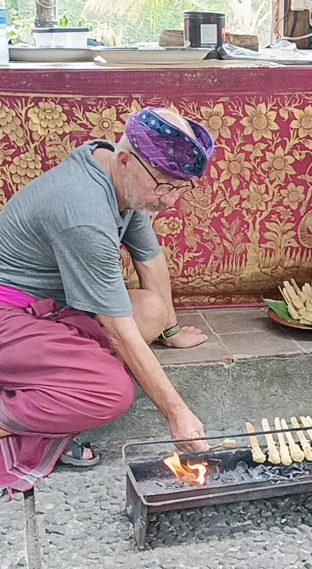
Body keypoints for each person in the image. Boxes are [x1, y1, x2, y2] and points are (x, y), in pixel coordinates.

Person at [0, 107, 215, 493]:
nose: (170, 201)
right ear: (126, 159)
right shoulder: (83, 211)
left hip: (50, 312)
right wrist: (177, 413)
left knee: (151, 311)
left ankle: (55, 380)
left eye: (181, 188)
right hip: (9, 315)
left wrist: (171, 329)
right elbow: (117, 330)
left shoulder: (120, 180)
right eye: (164, 185)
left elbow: (149, 259)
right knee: (110, 391)